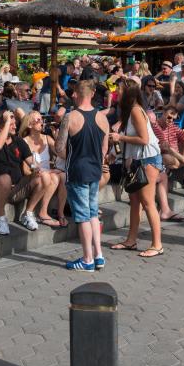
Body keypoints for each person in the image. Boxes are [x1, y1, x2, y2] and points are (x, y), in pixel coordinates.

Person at [56, 80, 110, 272]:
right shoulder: (103, 118)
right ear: (93, 94)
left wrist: (72, 155)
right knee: (93, 213)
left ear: (76, 94)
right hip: (95, 170)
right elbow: (104, 150)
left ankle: (87, 259)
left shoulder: (70, 117)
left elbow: (59, 148)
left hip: (77, 170)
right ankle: (99, 255)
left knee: (82, 217)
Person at [108, 85, 165, 258]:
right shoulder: (130, 112)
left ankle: (157, 244)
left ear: (129, 96)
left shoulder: (135, 111)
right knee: (134, 201)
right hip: (137, 161)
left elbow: (144, 139)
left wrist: (120, 137)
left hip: (147, 160)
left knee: (147, 202)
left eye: (120, 92)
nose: (117, 95)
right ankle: (131, 240)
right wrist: (113, 153)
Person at [0, 111, 47, 236]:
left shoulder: (18, 141)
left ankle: (28, 214)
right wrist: (6, 122)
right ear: (2, 126)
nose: (15, 127)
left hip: (15, 190)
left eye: (14, 124)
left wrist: (37, 168)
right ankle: (0, 219)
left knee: (44, 177)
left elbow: (31, 162)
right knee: (5, 179)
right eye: (11, 124)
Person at [19, 111, 65, 228]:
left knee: (61, 176)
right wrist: (48, 171)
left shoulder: (47, 138)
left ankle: (55, 213)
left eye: (42, 119)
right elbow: (26, 171)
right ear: (29, 125)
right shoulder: (24, 142)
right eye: (38, 120)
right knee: (51, 175)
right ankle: (41, 213)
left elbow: (63, 154)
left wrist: (57, 138)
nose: (42, 122)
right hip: (33, 177)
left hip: (47, 177)